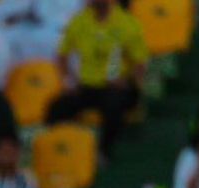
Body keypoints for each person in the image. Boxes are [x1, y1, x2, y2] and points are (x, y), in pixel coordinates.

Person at [47, 0, 146, 151]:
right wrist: (68, 81)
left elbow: (140, 63)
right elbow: (62, 55)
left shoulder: (127, 23)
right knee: (57, 107)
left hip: (115, 86)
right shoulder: (80, 21)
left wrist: (127, 80)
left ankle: (104, 153)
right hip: (87, 86)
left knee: (114, 105)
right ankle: (57, 150)